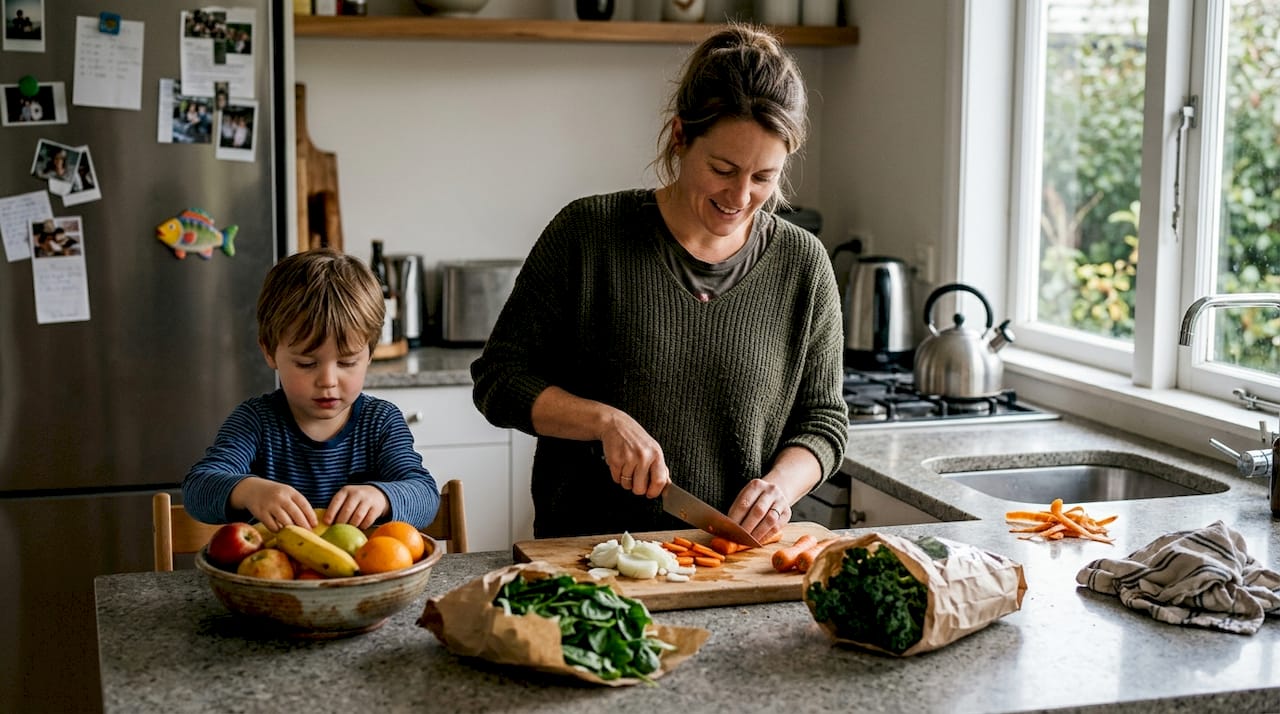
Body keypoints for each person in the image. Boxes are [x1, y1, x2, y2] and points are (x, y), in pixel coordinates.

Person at [470, 24, 848, 541]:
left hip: (729, 563)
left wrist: (780, 488)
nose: (740, 196)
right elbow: (499, 380)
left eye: (763, 177)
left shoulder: (803, 265)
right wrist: (603, 422)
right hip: (590, 562)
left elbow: (823, 419)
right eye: (723, 168)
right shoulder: (588, 235)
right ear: (679, 137)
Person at [182, 249, 440, 531]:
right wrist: (249, 490)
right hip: (275, 572)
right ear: (269, 352)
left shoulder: (381, 423)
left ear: (370, 354)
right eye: (306, 363)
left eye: (347, 361)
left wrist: (382, 496)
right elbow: (197, 489)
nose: (328, 380)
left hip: (365, 572)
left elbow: (426, 495)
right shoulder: (255, 422)